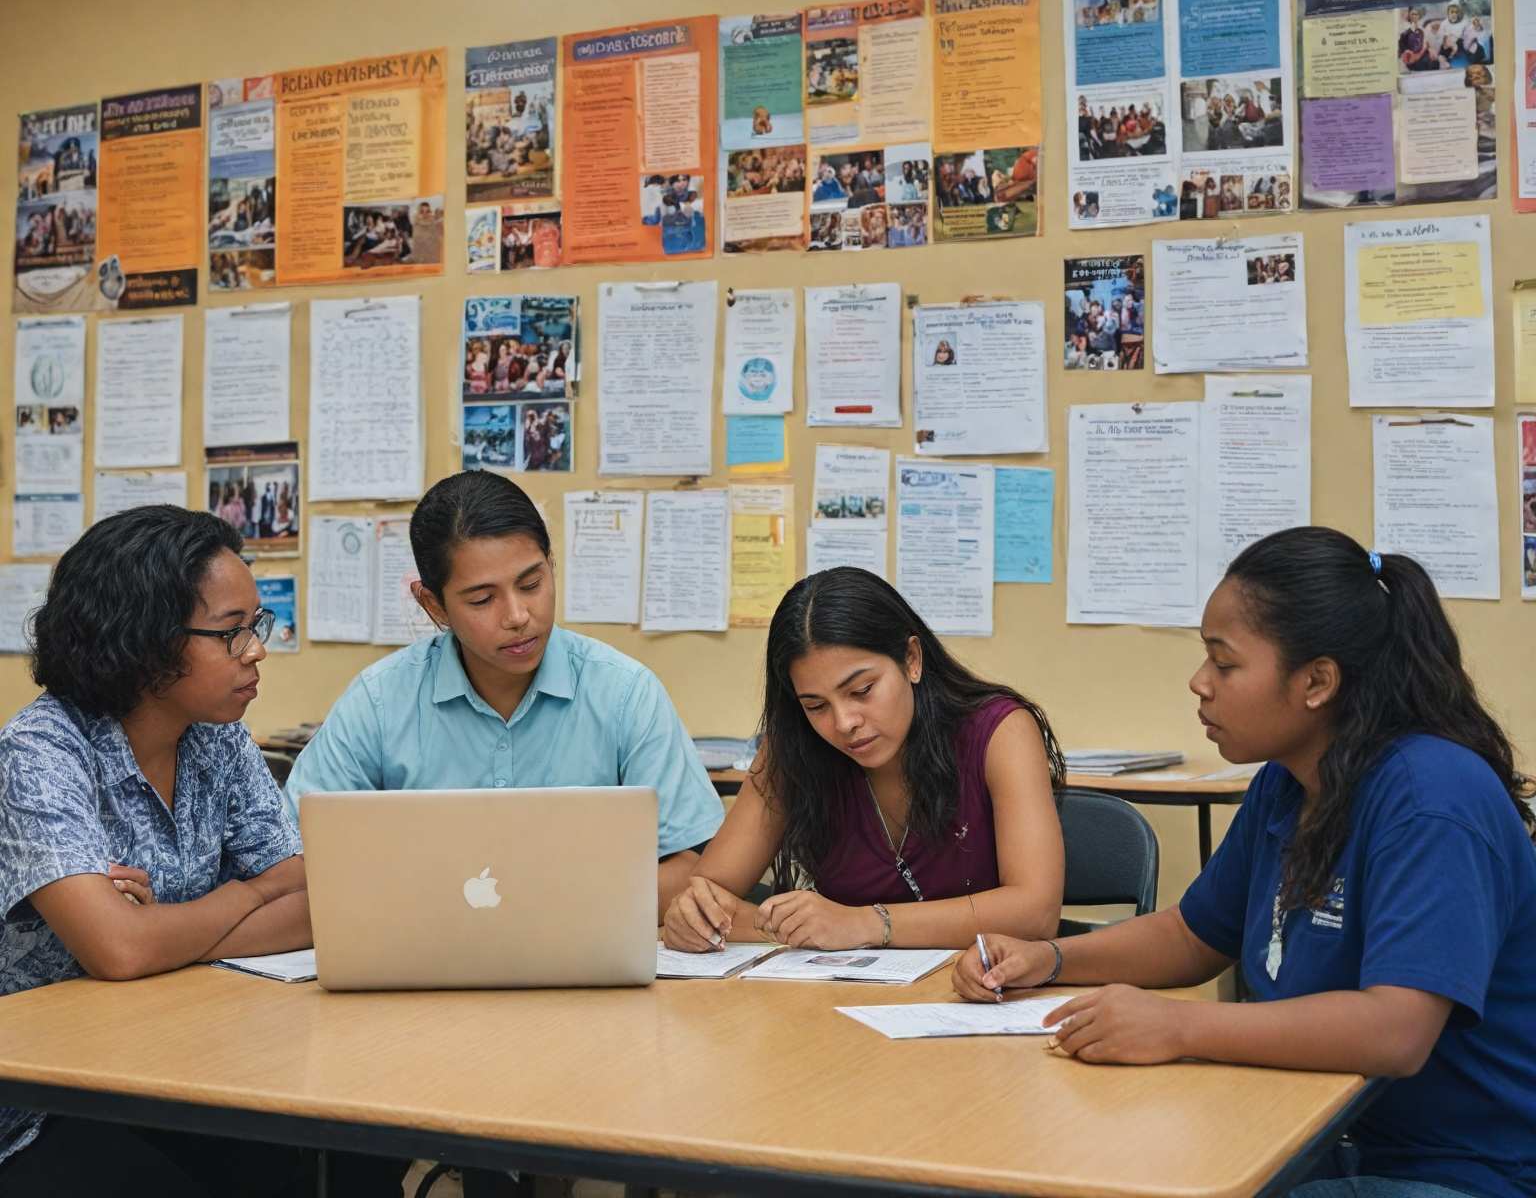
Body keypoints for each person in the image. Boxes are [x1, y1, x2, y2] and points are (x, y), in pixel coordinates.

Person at [954, 526, 1536, 1198]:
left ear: (1317, 681)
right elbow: (1193, 935)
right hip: (1314, 1132)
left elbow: (1396, 1030)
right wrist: (1051, 960)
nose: (1199, 683)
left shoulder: (1432, 799)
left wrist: (1178, 1025)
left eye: (1224, 664)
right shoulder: (1289, 781)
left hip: (1464, 1170)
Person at [0, 506, 309, 1197]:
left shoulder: (217, 734)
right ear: (143, 640)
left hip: (178, 1054)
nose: (257, 650)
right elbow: (120, 952)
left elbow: (310, 898)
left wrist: (163, 925)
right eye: (231, 634)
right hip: (38, 1102)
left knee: (305, 1155)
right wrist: (243, 897)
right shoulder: (42, 751)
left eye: (254, 628)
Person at [285, 473, 722, 920]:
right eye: (481, 600)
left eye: (531, 584)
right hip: (425, 966)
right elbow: (300, 858)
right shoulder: (379, 703)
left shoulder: (626, 694)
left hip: (583, 966)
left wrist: (535, 908)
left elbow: (689, 867)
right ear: (434, 607)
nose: (517, 616)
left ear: (551, 565)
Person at [663, 566, 1064, 954]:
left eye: (862, 690)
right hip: (840, 1002)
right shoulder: (794, 749)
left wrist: (864, 924)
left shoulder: (1001, 732)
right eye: (816, 705)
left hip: (981, 995)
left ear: (911, 659)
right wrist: (692, 917)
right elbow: (706, 898)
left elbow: (1035, 912)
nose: (844, 723)